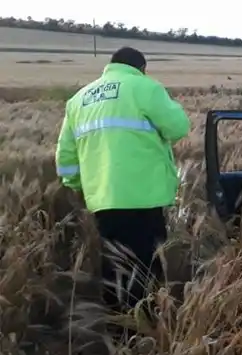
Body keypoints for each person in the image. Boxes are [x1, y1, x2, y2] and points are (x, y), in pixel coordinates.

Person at [55, 47, 191, 313]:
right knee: (146, 264)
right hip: (144, 195)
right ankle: (142, 324)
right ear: (141, 68)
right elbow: (178, 127)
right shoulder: (144, 88)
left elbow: (65, 157)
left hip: (102, 199)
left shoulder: (78, 100)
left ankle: (116, 323)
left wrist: (76, 185)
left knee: (113, 261)